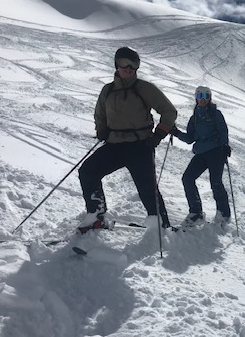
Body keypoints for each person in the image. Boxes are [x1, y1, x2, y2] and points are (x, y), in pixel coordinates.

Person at [76, 46, 177, 234]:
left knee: (147, 189)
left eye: (133, 66)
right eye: (124, 64)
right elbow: (100, 114)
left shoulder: (144, 88)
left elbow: (169, 111)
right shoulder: (108, 90)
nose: (129, 69)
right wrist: (102, 131)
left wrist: (159, 134)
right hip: (114, 145)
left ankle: (162, 228)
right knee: (87, 172)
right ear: (116, 64)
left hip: (140, 145)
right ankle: (96, 217)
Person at [172, 85, 232, 227]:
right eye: (200, 96)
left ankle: (223, 214)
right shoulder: (194, 118)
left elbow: (223, 130)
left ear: (209, 98)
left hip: (216, 152)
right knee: (188, 178)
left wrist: (225, 146)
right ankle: (196, 212)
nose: (202, 99)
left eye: (205, 96)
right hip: (201, 152)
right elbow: (190, 138)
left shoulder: (215, 114)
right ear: (196, 98)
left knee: (215, 182)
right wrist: (175, 132)